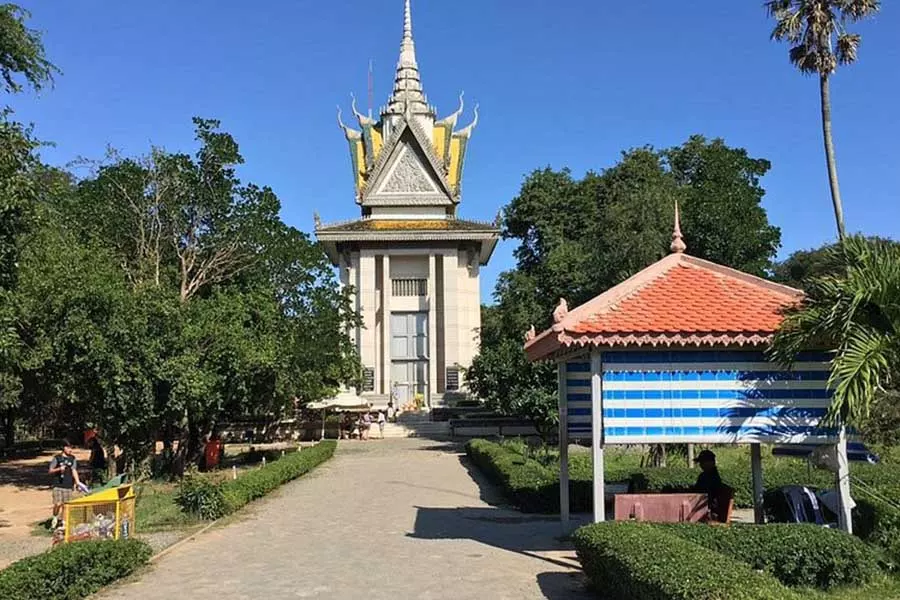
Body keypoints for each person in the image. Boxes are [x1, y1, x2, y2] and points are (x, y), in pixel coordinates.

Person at [49, 440, 82, 528]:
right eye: (69, 448)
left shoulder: (73, 458)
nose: (70, 450)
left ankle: (64, 522)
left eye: (71, 448)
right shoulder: (57, 458)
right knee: (58, 503)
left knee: (66, 505)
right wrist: (59, 469)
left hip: (68, 484)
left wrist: (77, 482)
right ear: (64, 448)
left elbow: (74, 470)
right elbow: (50, 470)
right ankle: (55, 517)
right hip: (58, 484)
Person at [692, 449, 723, 518]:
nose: (700, 465)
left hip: (710, 509)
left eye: (702, 462)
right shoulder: (704, 475)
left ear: (711, 462)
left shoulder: (711, 477)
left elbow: (703, 493)